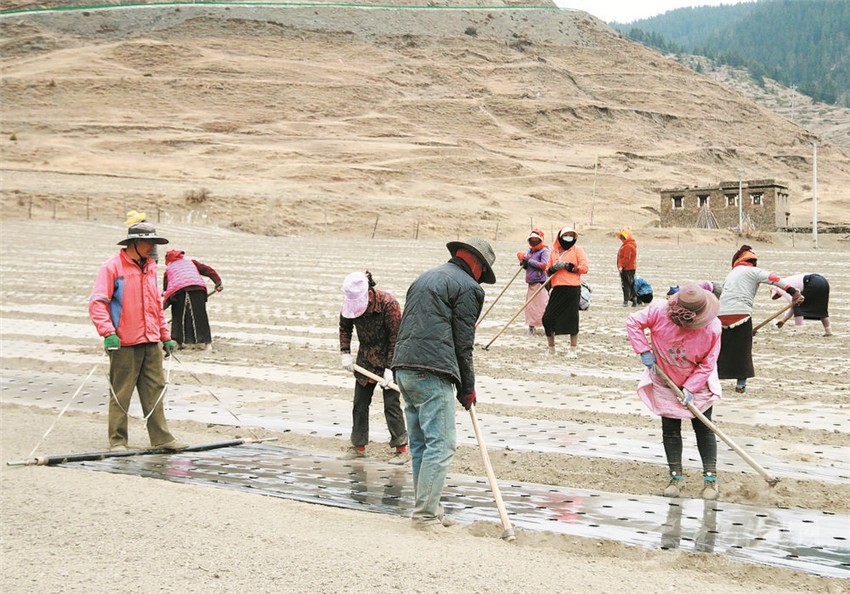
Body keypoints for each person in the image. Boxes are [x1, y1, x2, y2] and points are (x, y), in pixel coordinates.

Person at [391, 237, 496, 530]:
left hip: (403, 367)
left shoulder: (423, 278)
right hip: (432, 371)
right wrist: (467, 388)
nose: (481, 279)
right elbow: (464, 344)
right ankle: (425, 516)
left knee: (421, 444)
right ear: (477, 263)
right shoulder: (469, 288)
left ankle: (430, 509)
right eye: (482, 273)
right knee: (442, 444)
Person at [88, 222, 186, 452]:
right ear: (134, 242)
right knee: (121, 392)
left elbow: (156, 305)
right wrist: (108, 332)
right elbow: (97, 303)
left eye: (154, 242)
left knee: (156, 389)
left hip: (151, 340)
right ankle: (118, 440)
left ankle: (161, 439)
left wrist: (165, 336)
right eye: (148, 242)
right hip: (124, 342)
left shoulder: (150, 267)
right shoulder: (112, 267)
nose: (153, 247)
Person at [626, 284, 722, 500]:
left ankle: (710, 479)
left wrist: (691, 387)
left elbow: (708, 363)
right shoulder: (658, 310)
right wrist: (643, 350)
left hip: (699, 380)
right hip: (665, 377)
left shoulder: (713, 327)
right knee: (670, 429)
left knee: (704, 428)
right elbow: (633, 322)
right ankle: (676, 476)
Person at [339, 270, 408, 461]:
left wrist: (390, 368)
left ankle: (401, 449)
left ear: (369, 293)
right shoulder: (349, 303)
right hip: (366, 357)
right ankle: (358, 447)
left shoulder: (388, 304)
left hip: (390, 356)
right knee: (360, 403)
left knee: (391, 405)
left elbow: (396, 338)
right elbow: (345, 327)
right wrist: (345, 352)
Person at [717, 245, 802, 394]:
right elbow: (774, 279)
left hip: (720, 314)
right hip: (741, 313)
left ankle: (714, 380)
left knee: (722, 348)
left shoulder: (731, 274)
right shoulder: (753, 271)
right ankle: (741, 385)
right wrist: (793, 292)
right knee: (743, 349)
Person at [162, 250, 223, 351]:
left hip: (179, 292)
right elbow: (208, 270)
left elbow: (167, 289)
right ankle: (208, 344)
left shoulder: (169, 269)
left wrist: (162, 307)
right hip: (198, 289)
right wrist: (218, 282)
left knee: (178, 316)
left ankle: (179, 342)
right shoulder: (191, 262)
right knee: (200, 316)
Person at [542, 226, 589, 358]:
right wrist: (553, 268)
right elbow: (547, 271)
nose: (569, 238)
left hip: (573, 288)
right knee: (547, 318)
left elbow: (584, 268)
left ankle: (573, 350)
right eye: (566, 235)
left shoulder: (577, 250)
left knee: (572, 318)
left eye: (571, 235)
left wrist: (568, 267)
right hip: (557, 288)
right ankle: (551, 350)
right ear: (560, 237)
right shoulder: (554, 251)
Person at [516, 228, 550, 336]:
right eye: (532, 239)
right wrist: (524, 262)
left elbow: (544, 265)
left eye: (536, 239)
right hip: (531, 282)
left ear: (540, 239)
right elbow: (528, 266)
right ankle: (531, 327)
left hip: (541, 282)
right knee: (530, 306)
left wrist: (529, 261)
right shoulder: (530, 251)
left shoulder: (544, 251)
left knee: (543, 306)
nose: (534, 240)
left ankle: (548, 326)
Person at [617, 227, 638, 306]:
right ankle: (634, 300)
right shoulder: (630, 245)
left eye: (623, 237)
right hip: (631, 268)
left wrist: (621, 266)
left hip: (626, 269)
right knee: (631, 285)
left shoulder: (628, 246)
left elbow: (626, 258)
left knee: (625, 285)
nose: (622, 239)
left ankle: (626, 301)